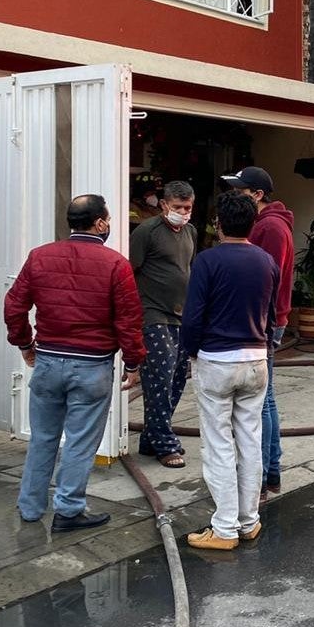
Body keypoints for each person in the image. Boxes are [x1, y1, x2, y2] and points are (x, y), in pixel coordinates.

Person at [5, 195, 145, 532]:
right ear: (100, 223)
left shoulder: (39, 256)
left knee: (42, 437)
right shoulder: (116, 264)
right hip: (92, 366)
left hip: (48, 361)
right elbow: (128, 320)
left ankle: (30, 507)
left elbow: (14, 306)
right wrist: (133, 363)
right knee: (80, 442)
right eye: (108, 220)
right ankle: (68, 510)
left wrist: (25, 344)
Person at [180, 191, 279, 550]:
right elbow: (271, 313)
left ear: (218, 224)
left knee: (219, 444)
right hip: (256, 359)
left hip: (217, 360)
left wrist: (191, 351)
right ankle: (249, 520)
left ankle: (223, 529)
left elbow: (193, 316)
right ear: (253, 223)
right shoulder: (267, 261)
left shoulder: (207, 261)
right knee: (250, 440)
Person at [221, 166, 293, 499]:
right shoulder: (268, 224)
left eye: (240, 190)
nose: (235, 196)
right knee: (266, 398)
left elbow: (266, 279)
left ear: (257, 194)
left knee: (260, 402)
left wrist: (256, 322)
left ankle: (261, 479)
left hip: (263, 320)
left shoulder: (271, 227)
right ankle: (271, 473)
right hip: (265, 319)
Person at [130, 180, 197, 468]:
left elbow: (187, 268)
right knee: (160, 377)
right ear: (164, 204)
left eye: (188, 207)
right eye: (178, 207)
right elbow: (130, 271)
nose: (183, 212)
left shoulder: (190, 232)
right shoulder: (146, 232)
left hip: (182, 315)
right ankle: (165, 443)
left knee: (179, 376)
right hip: (153, 314)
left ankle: (151, 437)